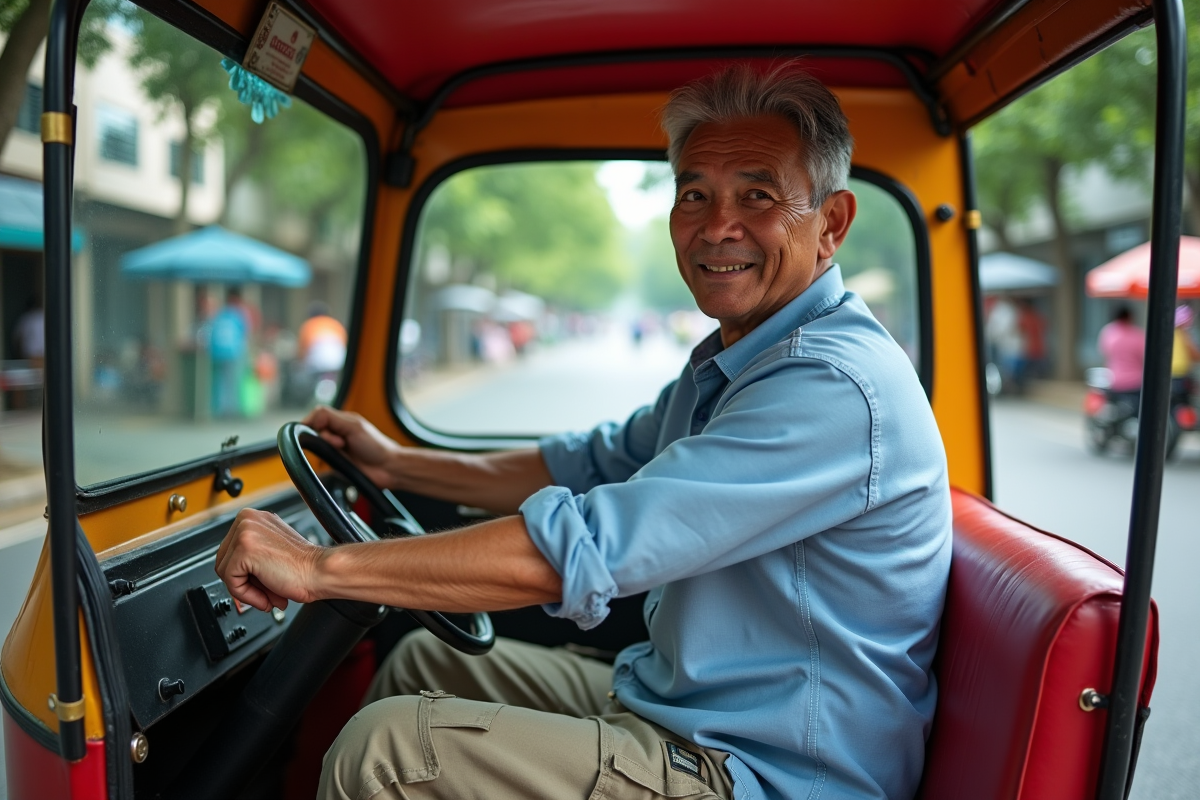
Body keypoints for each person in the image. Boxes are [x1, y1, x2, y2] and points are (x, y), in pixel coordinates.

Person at [215, 62, 951, 800]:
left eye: (757, 195)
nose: (716, 225)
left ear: (832, 223)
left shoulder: (830, 385)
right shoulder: (739, 365)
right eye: (694, 194)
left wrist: (318, 570)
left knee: (388, 752)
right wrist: (397, 465)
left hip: (769, 773)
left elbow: (586, 546)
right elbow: (582, 465)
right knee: (421, 666)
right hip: (689, 712)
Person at [210, 288, 251, 418]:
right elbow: (245, 333)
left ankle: (221, 409)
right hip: (233, 352)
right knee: (234, 381)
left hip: (217, 352)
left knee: (221, 382)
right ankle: (232, 410)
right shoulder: (239, 314)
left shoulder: (220, 313)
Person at [1098, 306, 1145, 396]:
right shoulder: (1138, 334)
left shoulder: (1108, 332)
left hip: (1114, 381)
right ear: (1130, 317)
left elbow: (1105, 355)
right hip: (1136, 382)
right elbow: (1144, 358)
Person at [1171, 304, 1199, 402]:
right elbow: (1194, 354)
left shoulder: (1170, 333)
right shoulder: (1183, 334)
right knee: (1183, 405)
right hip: (1180, 374)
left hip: (1169, 374)